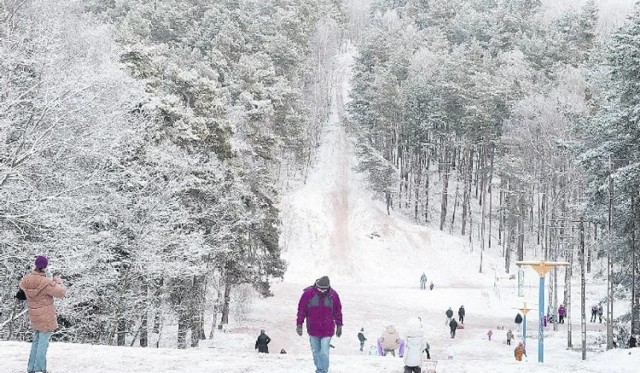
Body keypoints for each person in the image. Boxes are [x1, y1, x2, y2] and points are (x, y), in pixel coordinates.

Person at [20, 255, 66, 373]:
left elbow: (22, 291)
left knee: (36, 341)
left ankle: (31, 368)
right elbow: (61, 293)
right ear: (45, 267)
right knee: (43, 344)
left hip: (34, 316)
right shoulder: (46, 282)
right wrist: (58, 282)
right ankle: (40, 368)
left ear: (35, 266)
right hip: (45, 317)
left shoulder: (27, 280)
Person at [296, 276, 343, 373]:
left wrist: (339, 326)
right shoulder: (307, 294)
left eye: (324, 289)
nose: (322, 291)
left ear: (328, 287)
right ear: (317, 285)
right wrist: (299, 324)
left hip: (327, 329)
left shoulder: (333, 295)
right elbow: (301, 310)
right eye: (320, 288)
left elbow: (338, 311)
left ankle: (322, 371)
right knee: (316, 352)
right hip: (313, 329)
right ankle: (320, 369)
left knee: (324, 352)